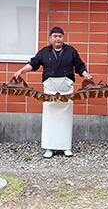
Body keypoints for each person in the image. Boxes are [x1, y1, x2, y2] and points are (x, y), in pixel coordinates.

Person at [14, 26, 92, 158]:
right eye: (55, 36)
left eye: (60, 36)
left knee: (65, 119)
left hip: (66, 89)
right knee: (50, 119)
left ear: (63, 37)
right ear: (50, 38)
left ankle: (66, 147)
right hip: (49, 89)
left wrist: (85, 74)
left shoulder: (71, 51)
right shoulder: (44, 52)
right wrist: (21, 71)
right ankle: (49, 147)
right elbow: (33, 64)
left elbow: (79, 65)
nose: (57, 39)